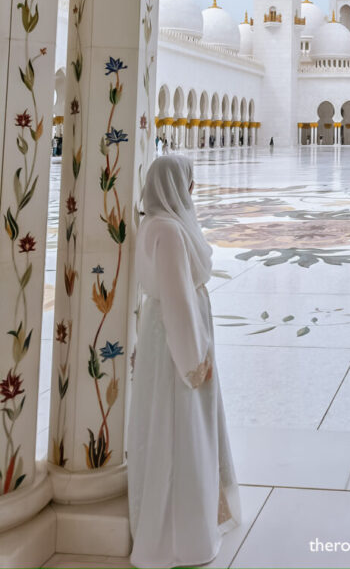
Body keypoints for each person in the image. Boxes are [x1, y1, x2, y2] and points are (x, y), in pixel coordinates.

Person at [128, 155, 240, 568]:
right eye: (188, 181)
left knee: (164, 426)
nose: (192, 189)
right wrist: (194, 362)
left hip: (160, 339)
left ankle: (171, 528)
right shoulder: (170, 231)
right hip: (179, 343)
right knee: (183, 431)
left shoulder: (151, 222)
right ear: (177, 184)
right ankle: (185, 538)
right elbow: (177, 300)